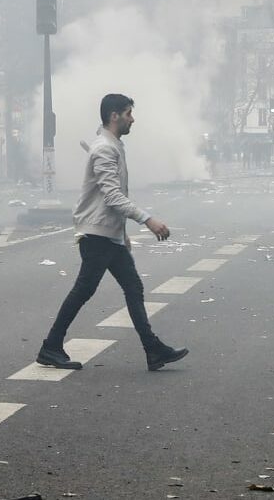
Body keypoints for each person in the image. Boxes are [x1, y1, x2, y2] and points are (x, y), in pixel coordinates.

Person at [35, 94, 189, 373]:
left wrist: (121, 233)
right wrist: (148, 220)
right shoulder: (105, 149)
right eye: (129, 113)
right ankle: (51, 346)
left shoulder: (111, 145)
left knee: (131, 288)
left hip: (107, 234)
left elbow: (113, 199)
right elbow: (112, 196)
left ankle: (152, 349)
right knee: (85, 290)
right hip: (97, 236)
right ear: (114, 115)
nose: (133, 118)